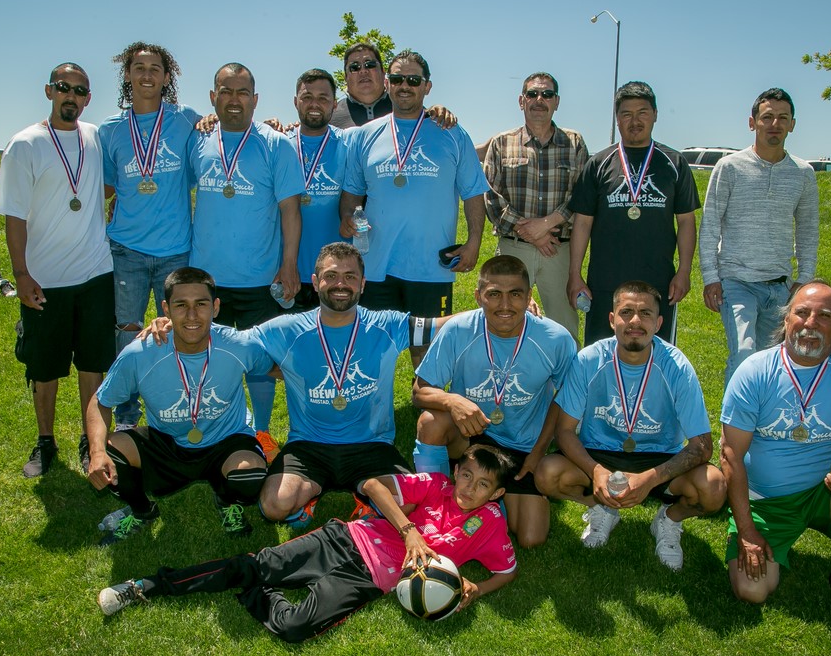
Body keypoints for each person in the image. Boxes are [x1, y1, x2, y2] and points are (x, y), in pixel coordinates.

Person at [143, 243, 451, 528]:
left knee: (414, 501)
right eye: (331, 276)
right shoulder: (288, 328)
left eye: (349, 276)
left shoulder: (386, 324)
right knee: (273, 506)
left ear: (362, 283)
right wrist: (176, 324)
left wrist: (491, 313)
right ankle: (313, 497)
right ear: (316, 282)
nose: (340, 284)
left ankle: (366, 498)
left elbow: (445, 326)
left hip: (372, 445)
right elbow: (230, 341)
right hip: (309, 446)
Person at [96, 445, 517, 643]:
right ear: (457, 471)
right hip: (343, 541)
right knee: (251, 564)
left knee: (294, 628)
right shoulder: (436, 485)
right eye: (466, 475)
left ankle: (254, 590)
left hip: (369, 581)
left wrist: (478, 588)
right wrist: (408, 529)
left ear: (496, 495)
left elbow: (506, 571)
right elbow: (372, 484)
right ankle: (147, 586)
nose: (468, 488)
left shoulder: (491, 525)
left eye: (482, 485)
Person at [720, 280, 831, 625]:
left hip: (826, 492)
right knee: (752, 592)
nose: (811, 323)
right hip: (766, 501)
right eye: (802, 313)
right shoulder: (754, 371)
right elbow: (731, 456)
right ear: (786, 321)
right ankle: (764, 535)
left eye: (824, 316)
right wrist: (747, 530)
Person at [535, 281, 725, 570]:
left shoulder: (676, 366)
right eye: (626, 312)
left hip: (658, 458)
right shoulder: (589, 360)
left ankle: (669, 520)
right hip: (600, 452)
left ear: (659, 323)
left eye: (646, 314)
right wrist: (597, 472)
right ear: (612, 320)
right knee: (547, 474)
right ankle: (603, 508)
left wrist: (649, 479)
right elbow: (563, 431)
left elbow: (702, 447)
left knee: (713, 488)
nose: (635, 321)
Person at [86, 268, 273, 545]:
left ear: (216, 307)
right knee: (109, 455)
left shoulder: (239, 345)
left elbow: (280, 368)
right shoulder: (141, 353)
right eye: (181, 306)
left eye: (201, 304)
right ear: (165, 309)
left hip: (226, 441)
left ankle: (226, 500)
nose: (192, 315)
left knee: (251, 475)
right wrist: (97, 452)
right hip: (168, 444)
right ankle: (141, 510)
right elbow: (99, 402)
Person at [0, 62, 114, 477]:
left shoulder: (95, 137)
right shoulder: (25, 144)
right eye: (64, 88)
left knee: (93, 362)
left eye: (80, 90)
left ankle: (90, 440)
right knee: (44, 366)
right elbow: (14, 217)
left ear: (88, 98)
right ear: (49, 91)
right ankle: (45, 442)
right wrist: (21, 273)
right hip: (45, 279)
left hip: (96, 274)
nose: (71, 96)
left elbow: (106, 186)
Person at [413, 255, 576, 548]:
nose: (504, 305)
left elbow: (566, 401)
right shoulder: (458, 330)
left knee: (529, 539)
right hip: (471, 437)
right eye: (494, 295)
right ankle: (434, 503)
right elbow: (419, 391)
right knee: (431, 421)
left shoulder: (556, 339)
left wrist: (539, 453)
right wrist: (452, 401)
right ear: (479, 296)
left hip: (522, 447)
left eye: (515, 294)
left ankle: (489, 502)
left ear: (529, 297)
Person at [339, 49, 488, 367]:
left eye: (413, 79)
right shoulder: (366, 136)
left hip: (430, 268)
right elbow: (351, 193)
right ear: (387, 84)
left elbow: (474, 193)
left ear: (427, 86)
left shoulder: (451, 133)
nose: (404, 85)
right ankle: (375, 414)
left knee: (428, 350)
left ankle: (429, 412)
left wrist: (474, 240)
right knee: (375, 350)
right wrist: (347, 218)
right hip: (377, 266)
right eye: (397, 78)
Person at [188, 62, 305, 451]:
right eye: (225, 90)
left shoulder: (276, 144)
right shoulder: (198, 140)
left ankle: (263, 432)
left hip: (259, 277)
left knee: (258, 360)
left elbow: (291, 209)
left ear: (255, 100)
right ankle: (210, 425)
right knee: (208, 355)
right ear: (212, 97)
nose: (233, 99)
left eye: (242, 92)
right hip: (207, 277)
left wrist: (288, 265)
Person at [99, 42, 201, 432]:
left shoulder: (186, 120)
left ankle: (170, 413)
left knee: (176, 333)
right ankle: (126, 417)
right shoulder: (110, 130)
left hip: (176, 250)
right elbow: (106, 188)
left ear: (166, 76)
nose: (146, 75)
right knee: (126, 334)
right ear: (127, 75)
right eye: (138, 67)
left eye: (155, 68)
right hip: (126, 249)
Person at [698, 87, 819, 386]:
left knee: (773, 360)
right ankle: (733, 430)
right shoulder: (729, 167)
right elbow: (710, 223)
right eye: (767, 117)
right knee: (743, 354)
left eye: (782, 118)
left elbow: (807, 230)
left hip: (780, 286)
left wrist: (803, 279)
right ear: (752, 123)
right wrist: (710, 276)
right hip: (736, 282)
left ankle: (762, 427)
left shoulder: (803, 174)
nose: (774, 124)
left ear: (792, 124)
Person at [567, 82, 699, 346]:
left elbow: (685, 221)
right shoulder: (599, 163)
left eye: (643, 112)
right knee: (602, 352)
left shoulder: (674, 163)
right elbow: (582, 223)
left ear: (655, 115)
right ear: (617, 119)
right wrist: (574, 274)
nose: (635, 121)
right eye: (626, 114)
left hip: (657, 282)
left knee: (657, 354)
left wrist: (683, 271)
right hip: (605, 282)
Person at [482, 73, 589, 339]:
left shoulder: (574, 143)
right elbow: (491, 196)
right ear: (521, 101)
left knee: (563, 329)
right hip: (513, 246)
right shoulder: (501, 143)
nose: (539, 100)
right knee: (505, 320)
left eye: (547, 94)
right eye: (532, 94)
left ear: (557, 102)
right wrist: (527, 232)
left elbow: (583, 195)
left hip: (559, 248)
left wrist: (546, 224)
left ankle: (565, 382)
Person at [285, 69, 348, 311]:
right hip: (289, 270)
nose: (314, 104)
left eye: (323, 98)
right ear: (295, 101)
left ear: (334, 104)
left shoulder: (349, 143)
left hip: (337, 273)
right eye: (307, 97)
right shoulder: (279, 144)